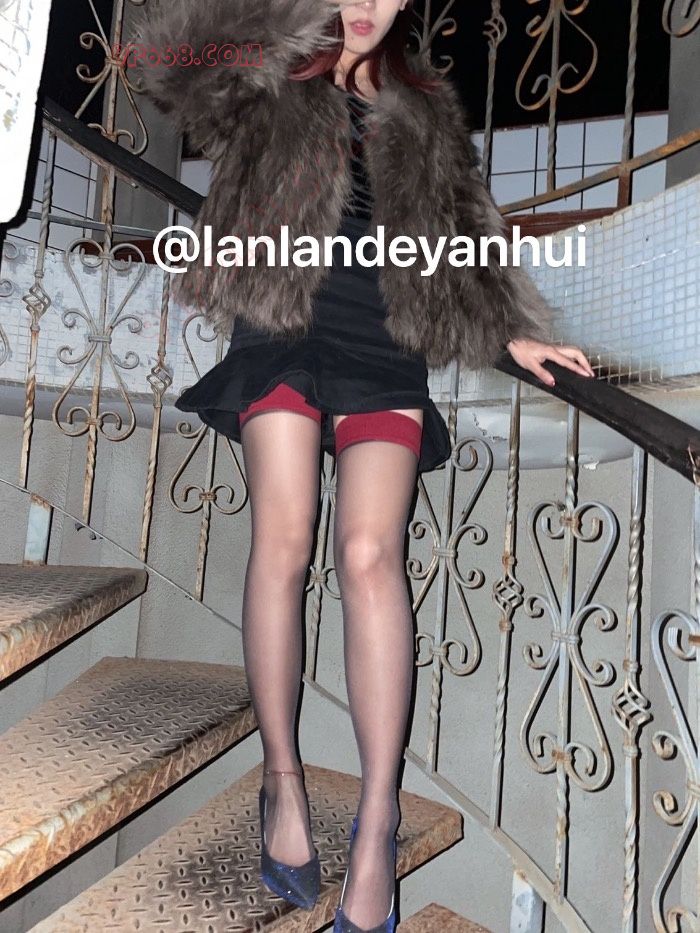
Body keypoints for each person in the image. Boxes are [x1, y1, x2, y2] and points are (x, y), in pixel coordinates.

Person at [135, 1, 594, 930]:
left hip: (383, 336)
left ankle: (377, 820)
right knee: (284, 538)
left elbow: (464, 235)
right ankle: (283, 778)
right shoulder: (267, 69)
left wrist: (517, 332)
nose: (364, 4)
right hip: (279, 317)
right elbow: (162, 56)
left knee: (371, 555)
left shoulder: (424, 108)